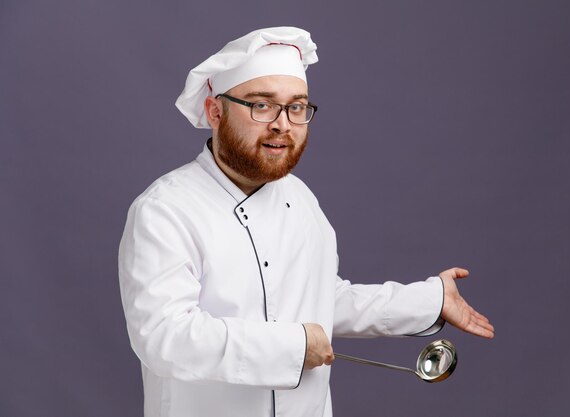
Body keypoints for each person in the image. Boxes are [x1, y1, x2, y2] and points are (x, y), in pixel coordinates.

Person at [118, 26, 494, 417]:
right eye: (261, 105)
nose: (283, 124)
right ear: (215, 111)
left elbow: (316, 298)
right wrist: (294, 346)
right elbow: (164, 337)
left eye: (296, 107)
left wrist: (428, 301)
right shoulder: (165, 209)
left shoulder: (300, 199)